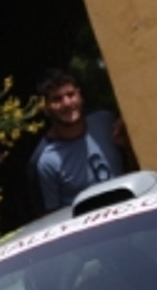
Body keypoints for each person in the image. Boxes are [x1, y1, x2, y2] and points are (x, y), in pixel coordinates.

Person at [29, 69, 130, 213]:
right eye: (57, 99)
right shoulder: (46, 161)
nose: (67, 103)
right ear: (46, 108)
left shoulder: (105, 121)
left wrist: (126, 148)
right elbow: (51, 215)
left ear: (80, 95)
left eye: (70, 95)